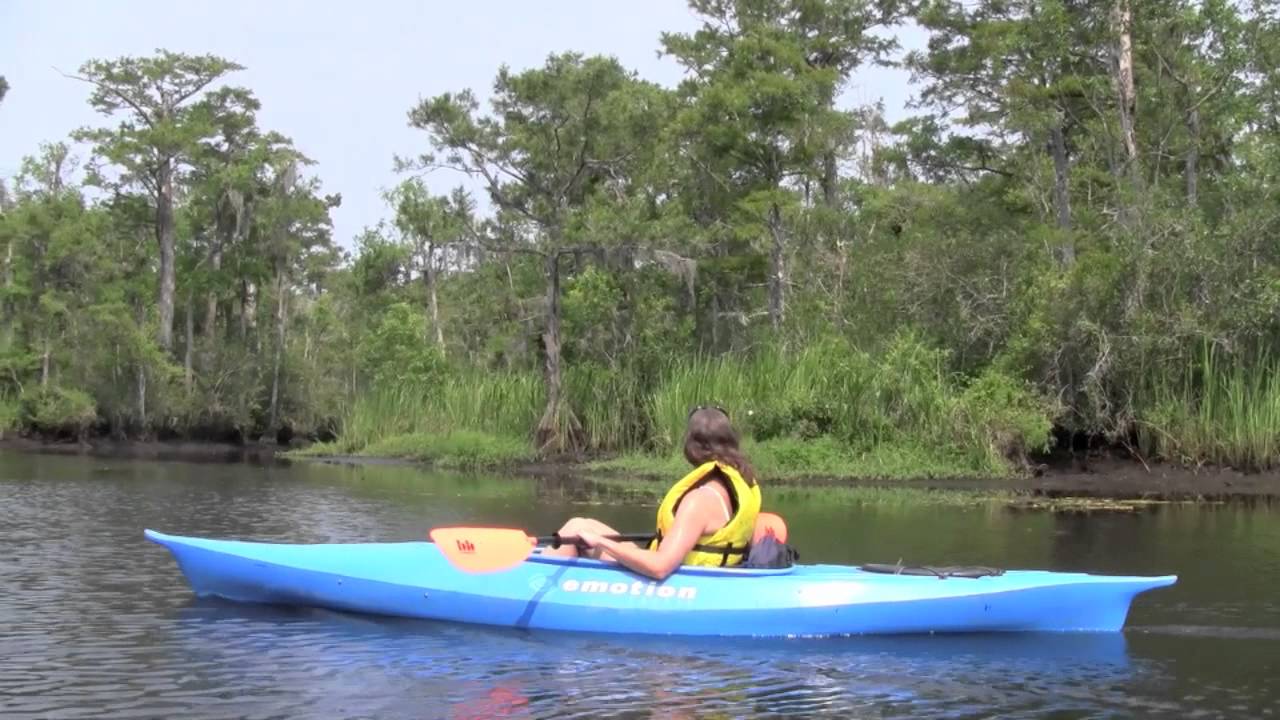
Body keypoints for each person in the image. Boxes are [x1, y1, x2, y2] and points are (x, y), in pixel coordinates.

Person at [544, 406, 761, 580]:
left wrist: (600, 542)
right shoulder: (741, 482)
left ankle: (531, 584)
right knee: (580, 525)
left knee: (577, 531)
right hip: (710, 572)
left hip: (683, 577)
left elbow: (659, 567)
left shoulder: (701, 500)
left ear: (692, 448)